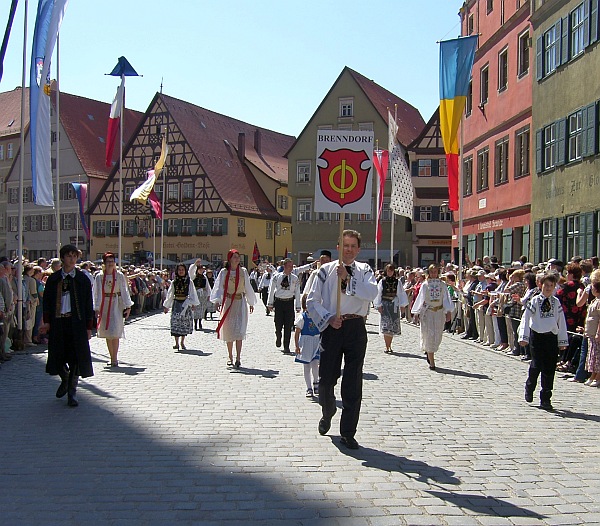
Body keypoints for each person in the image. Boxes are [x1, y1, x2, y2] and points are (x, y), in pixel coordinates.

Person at [307, 229, 378, 450]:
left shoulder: (365, 270)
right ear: (339, 247)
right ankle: (328, 410)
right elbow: (312, 300)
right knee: (327, 379)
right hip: (333, 326)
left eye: (352, 246)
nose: (348, 250)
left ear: (358, 249)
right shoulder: (325, 271)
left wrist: (348, 279)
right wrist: (328, 318)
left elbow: (371, 293)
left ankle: (348, 431)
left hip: (356, 326)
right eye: (345, 245)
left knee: (353, 379)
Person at [39, 245, 94, 407]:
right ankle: (65, 379)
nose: (72, 259)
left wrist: (88, 327)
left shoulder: (82, 279)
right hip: (58, 322)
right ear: (62, 258)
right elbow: (47, 303)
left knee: (75, 357)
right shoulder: (54, 279)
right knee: (58, 354)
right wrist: (46, 322)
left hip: (76, 323)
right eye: (69, 256)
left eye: (74, 256)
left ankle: (72, 391)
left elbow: (87, 304)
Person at [518, 273, 568, 411]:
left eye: (551, 286)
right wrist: (524, 336)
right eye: (546, 285)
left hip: (550, 337)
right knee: (536, 365)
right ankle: (530, 386)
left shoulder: (556, 303)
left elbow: (561, 322)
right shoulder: (535, 301)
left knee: (549, 367)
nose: (548, 288)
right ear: (541, 285)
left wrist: (562, 340)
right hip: (537, 337)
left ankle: (546, 397)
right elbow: (526, 318)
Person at [210, 249, 257, 368]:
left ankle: (238, 357)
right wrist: (217, 301)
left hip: (240, 302)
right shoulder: (224, 272)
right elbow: (219, 287)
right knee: (229, 330)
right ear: (230, 259)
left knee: (239, 331)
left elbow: (247, 286)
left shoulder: (243, 271)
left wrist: (250, 302)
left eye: (238, 256)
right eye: (235, 257)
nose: (237, 259)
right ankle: (230, 356)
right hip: (228, 302)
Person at [410, 264, 453, 371]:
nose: (434, 273)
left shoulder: (442, 285)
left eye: (435, 271)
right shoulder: (425, 285)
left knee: (437, 336)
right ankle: (432, 360)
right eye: (432, 271)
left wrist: (448, 312)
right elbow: (421, 299)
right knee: (429, 335)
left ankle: (430, 353)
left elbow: (446, 299)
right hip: (428, 313)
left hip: (438, 313)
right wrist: (417, 313)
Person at [93, 253, 134, 367]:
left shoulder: (119, 275)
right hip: (104, 304)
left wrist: (128, 305)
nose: (110, 263)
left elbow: (124, 290)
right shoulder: (99, 276)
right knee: (107, 332)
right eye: (108, 261)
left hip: (116, 303)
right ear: (104, 263)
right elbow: (96, 293)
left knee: (115, 330)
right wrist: (96, 308)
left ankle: (115, 358)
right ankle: (111, 357)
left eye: (112, 261)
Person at [267, 258, 301, 353]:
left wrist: (298, 306)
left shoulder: (295, 278)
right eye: (289, 266)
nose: (291, 268)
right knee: (278, 323)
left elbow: (297, 292)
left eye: (292, 266)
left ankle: (286, 345)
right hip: (279, 302)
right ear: (284, 266)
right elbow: (271, 290)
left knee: (288, 325)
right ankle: (278, 335)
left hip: (289, 302)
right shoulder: (277, 277)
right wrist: (270, 303)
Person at [163, 263, 200, 351]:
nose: (181, 271)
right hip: (176, 303)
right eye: (179, 270)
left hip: (185, 304)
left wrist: (193, 303)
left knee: (184, 322)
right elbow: (170, 294)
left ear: (185, 271)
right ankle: (176, 343)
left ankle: (182, 342)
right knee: (175, 322)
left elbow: (192, 293)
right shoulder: (174, 281)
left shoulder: (189, 281)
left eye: (182, 270)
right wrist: (167, 305)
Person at [374, 263, 409, 353]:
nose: (390, 272)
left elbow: (400, 293)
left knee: (392, 325)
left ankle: (390, 345)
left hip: (394, 304)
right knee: (386, 325)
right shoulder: (383, 281)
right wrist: (378, 305)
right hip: (385, 304)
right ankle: (387, 346)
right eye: (388, 271)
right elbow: (378, 293)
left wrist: (402, 305)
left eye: (391, 271)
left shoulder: (397, 282)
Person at [294, 295, 321, 398]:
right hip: (306, 344)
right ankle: (309, 387)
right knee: (306, 366)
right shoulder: (302, 318)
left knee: (315, 365)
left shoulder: (317, 316)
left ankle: (316, 382)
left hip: (316, 342)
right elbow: (297, 333)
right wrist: (297, 346)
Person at [583, 269, 600, 387]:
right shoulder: (595, 300)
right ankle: (593, 374)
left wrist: (599, 332)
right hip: (591, 333)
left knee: (597, 356)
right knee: (592, 355)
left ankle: (598, 376)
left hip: (597, 333)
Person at [188, 260, 212, 331]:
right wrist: (195, 265)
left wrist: (208, 294)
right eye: (200, 269)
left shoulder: (204, 277)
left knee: (202, 309)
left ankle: (200, 322)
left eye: (202, 269)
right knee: (196, 309)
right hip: (196, 294)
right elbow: (190, 272)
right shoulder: (194, 276)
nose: (201, 271)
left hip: (203, 295)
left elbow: (207, 286)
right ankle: (195, 323)